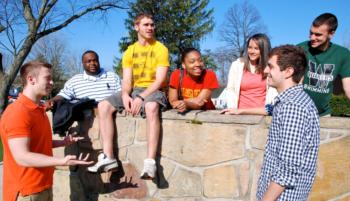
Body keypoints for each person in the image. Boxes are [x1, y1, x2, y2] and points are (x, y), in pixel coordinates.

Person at [87, 13, 169, 180]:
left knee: (151, 106)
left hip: (154, 90)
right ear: (136, 27)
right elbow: (127, 80)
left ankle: (150, 163)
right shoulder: (129, 51)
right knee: (103, 106)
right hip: (134, 89)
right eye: (146, 25)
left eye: (152, 25)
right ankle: (108, 157)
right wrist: (125, 94)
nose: (150, 28)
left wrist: (141, 97)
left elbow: (160, 80)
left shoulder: (161, 48)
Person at [0, 61, 93, 201]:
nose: (52, 82)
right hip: (26, 192)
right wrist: (62, 161)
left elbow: (38, 143)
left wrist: (63, 142)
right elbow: (22, 156)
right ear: (31, 79)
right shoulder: (18, 112)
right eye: (47, 78)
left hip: (44, 186)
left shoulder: (39, 109)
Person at [256, 45, 320, 201]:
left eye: (271, 66)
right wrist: (240, 111)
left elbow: (287, 168)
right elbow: (270, 109)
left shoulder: (292, 107)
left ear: (288, 71)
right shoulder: (291, 102)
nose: (265, 71)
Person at [298, 13, 350, 116]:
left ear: (331, 34)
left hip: (324, 114)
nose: (312, 37)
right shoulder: (300, 49)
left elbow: (348, 87)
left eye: (318, 34)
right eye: (311, 33)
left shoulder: (343, 54)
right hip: (299, 111)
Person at [221, 33, 278, 115]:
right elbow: (231, 89)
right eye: (250, 47)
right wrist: (232, 109)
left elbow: (274, 91)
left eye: (256, 48)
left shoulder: (269, 68)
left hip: (262, 115)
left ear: (263, 50)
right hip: (240, 114)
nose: (251, 51)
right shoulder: (237, 65)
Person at [46, 50, 121, 108]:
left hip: (110, 117)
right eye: (88, 61)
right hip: (86, 122)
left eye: (95, 60)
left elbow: (122, 94)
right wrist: (51, 101)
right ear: (83, 63)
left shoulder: (112, 77)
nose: (92, 63)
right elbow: (63, 95)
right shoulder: (74, 81)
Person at [168, 48, 219, 112]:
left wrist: (185, 103)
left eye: (200, 60)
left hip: (207, 114)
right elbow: (173, 102)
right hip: (182, 115)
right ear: (183, 65)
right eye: (192, 62)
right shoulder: (176, 75)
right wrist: (189, 101)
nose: (198, 64)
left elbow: (200, 103)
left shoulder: (209, 75)